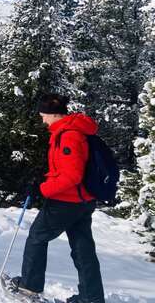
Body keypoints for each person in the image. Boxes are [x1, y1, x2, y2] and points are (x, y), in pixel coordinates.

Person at [9, 94, 105, 303]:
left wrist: (43, 189)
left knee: (37, 237)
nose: (43, 120)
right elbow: (66, 169)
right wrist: (43, 179)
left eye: (44, 115)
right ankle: (92, 298)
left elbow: (72, 175)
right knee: (83, 249)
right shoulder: (75, 130)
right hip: (83, 200)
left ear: (54, 114)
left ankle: (29, 286)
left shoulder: (68, 134)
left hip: (66, 201)